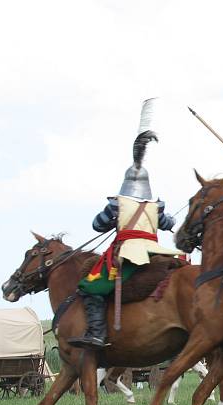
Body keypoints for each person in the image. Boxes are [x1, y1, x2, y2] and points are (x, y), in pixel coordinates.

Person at [69, 99, 179, 349]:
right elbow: (169, 222)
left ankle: (96, 332)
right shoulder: (155, 206)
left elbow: (98, 225)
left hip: (128, 255)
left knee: (90, 285)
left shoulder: (117, 205)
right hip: (155, 253)